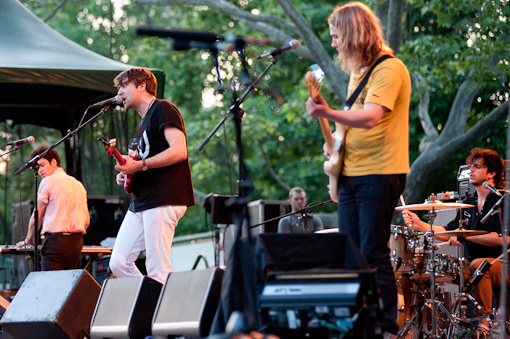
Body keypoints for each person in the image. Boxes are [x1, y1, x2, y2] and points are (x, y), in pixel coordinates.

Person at [306, 2, 411, 336]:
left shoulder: (390, 69)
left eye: (337, 37)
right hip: (352, 172)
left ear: (352, 34)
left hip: (380, 172)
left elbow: (370, 116)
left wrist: (328, 114)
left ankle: (383, 328)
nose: (333, 44)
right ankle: (359, 324)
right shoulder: (358, 70)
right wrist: (336, 142)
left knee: (373, 252)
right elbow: (351, 120)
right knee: (351, 253)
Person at [403, 148, 508, 338]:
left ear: (492, 173)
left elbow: (504, 238)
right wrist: (420, 224)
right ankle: (417, 326)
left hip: (503, 264)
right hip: (472, 264)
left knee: (479, 265)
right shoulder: (468, 202)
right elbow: (449, 232)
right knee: (424, 268)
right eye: (470, 167)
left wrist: (465, 236)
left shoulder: (503, 201)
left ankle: (484, 327)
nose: (471, 171)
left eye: (477, 167)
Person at [109, 67, 195, 284]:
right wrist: (127, 175)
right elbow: (139, 165)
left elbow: (179, 151)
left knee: (157, 267)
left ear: (142, 85)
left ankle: (161, 315)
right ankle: (148, 302)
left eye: (124, 86)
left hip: (164, 197)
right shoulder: (142, 125)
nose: (119, 92)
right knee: (118, 262)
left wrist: (139, 166)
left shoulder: (163, 108)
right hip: (141, 200)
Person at [16, 145, 90, 271]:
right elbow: (86, 221)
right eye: (37, 167)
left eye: (42, 165)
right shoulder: (78, 184)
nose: (39, 170)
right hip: (77, 243)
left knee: (51, 287)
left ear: (54, 162)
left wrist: (29, 239)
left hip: (56, 242)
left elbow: (37, 215)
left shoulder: (48, 181)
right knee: (68, 288)